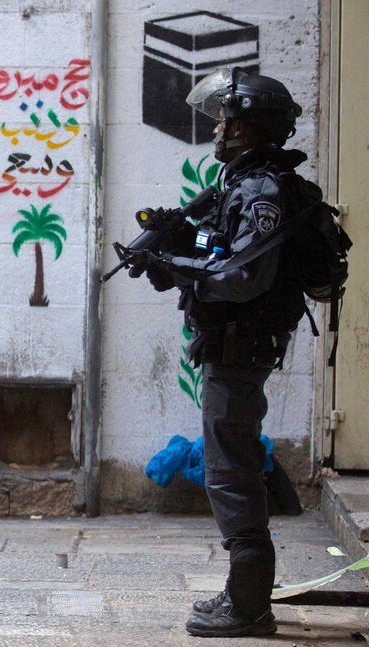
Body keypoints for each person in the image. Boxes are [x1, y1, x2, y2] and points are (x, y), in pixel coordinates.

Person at [128, 67, 308, 637]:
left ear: (252, 124)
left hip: (241, 344)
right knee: (230, 463)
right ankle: (244, 593)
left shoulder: (261, 188)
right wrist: (176, 243)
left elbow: (244, 274)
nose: (219, 128)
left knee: (229, 470)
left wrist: (176, 268)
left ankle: (250, 604)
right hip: (232, 344)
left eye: (228, 117)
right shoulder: (243, 182)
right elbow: (220, 249)